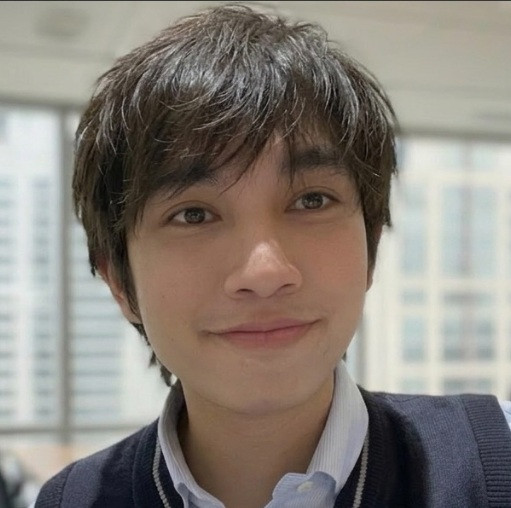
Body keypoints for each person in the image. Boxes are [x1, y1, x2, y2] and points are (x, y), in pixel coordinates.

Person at [33, 4, 511, 507]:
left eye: (312, 201)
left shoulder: (495, 457)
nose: (265, 272)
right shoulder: (71, 500)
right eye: (193, 214)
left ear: (370, 246)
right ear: (119, 281)